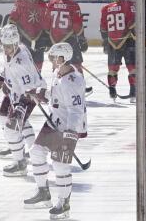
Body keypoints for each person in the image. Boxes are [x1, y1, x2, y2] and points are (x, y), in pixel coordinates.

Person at [24, 42, 87, 220]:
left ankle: (64, 203)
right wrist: (42, 97)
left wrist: (70, 133)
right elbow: (56, 99)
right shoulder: (57, 73)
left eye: (53, 57)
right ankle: (43, 192)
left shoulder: (73, 81)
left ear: (62, 58)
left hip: (69, 126)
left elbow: (76, 111)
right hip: (55, 122)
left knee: (60, 164)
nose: (50, 60)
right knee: (36, 152)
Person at [0, 24, 45, 177]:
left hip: (27, 96)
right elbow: (8, 65)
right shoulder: (16, 48)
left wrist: (19, 107)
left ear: (16, 44)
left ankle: (20, 163)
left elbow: (30, 90)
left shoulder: (22, 62)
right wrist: (3, 78)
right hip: (15, 92)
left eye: (9, 46)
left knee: (12, 129)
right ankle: (23, 147)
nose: (6, 49)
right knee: (4, 115)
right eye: (4, 46)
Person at [100, 0, 137, 102]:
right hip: (127, 40)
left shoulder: (106, 8)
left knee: (112, 69)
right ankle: (133, 92)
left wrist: (105, 43)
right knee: (132, 68)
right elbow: (132, 24)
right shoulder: (130, 5)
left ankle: (112, 90)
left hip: (112, 42)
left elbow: (103, 28)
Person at [45, 0, 88, 79]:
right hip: (69, 39)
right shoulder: (73, 5)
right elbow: (77, 25)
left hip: (54, 41)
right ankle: (80, 84)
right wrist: (82, 39)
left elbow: (47, 23)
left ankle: (56, 85)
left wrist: (47, 38)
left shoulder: (51, 4)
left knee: (57, 64)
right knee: (76, 63)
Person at [9, 0, 51, 71]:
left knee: (38, 63)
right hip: (23, 37)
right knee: (23, 63)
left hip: (39, 38)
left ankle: (37, 79)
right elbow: (12, 19)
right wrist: (12, 33)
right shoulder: (21, 3)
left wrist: (47, 38)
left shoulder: (43, 5)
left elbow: (46, 22)